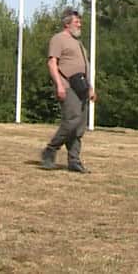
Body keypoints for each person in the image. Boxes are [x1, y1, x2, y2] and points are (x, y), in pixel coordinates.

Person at [41, 9, 97, 174]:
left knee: (79, 126)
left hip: (82, 87)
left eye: (80, 21)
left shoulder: (78, 43)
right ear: (67, 24)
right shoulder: (58, 39)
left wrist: (91, 88)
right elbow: (52, 64)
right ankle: (50, 150)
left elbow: (84, 67)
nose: (80, 24)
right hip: (67, 86)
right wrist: (59, 85)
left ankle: (74, 160)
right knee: (71, 121)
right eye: (76, 22)